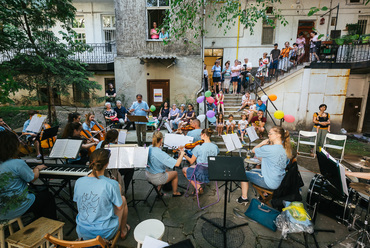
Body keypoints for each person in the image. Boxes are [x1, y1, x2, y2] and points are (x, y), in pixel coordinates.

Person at [0, 130, 57, 221]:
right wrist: (37, 169)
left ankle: (38, 220)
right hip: (16, 208)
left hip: (2, 211)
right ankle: (50, 224)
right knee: (47, 196)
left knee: (36, 194)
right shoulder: (17, 163)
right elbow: (32, 178)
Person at [74, 149, 130, 240]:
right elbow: (119, 207)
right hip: (103, 233)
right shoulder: (112, 184)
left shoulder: (79, 181)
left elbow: (78, 202)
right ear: (107, 164)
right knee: (122, 200)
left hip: (82, 231)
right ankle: (123, 231)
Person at [237, 126, 292, 205]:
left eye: (270, 133)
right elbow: (276, 162)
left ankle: (244, 198)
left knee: (243, 174)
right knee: (252, 171)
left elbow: (253, 150)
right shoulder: (286, 149)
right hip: (279, 180)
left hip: (270, 182)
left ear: (278, 135)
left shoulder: (269, 148)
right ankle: (265, 194)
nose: (268, 135)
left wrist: (262, 143)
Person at [146, 131, 185, 196]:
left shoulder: (149, 147)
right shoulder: (160, 153)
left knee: (165, 170)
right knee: (175, 173)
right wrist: (182, 154)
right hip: (156, 178)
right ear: (161, 139)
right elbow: (177, 164)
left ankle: (158, 192)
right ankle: (175, 193)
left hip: (148, 175)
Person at [182, 128, 219, 195]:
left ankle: (198, 187)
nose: (200, 136)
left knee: (184, 169)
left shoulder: (198, 147)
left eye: (200, 135)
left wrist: (183, 154)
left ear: (204, 135)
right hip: (212, 172)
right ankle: (198, 186)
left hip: (202, 173)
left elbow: (191, 161)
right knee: (194, 166)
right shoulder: (215, 147)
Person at [96, 130, 133, 195]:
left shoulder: (101, 143)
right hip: (112, 171)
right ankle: (124, 189)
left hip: (100, 169)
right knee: (130, 169)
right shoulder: (115, 147)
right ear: (116, 138)